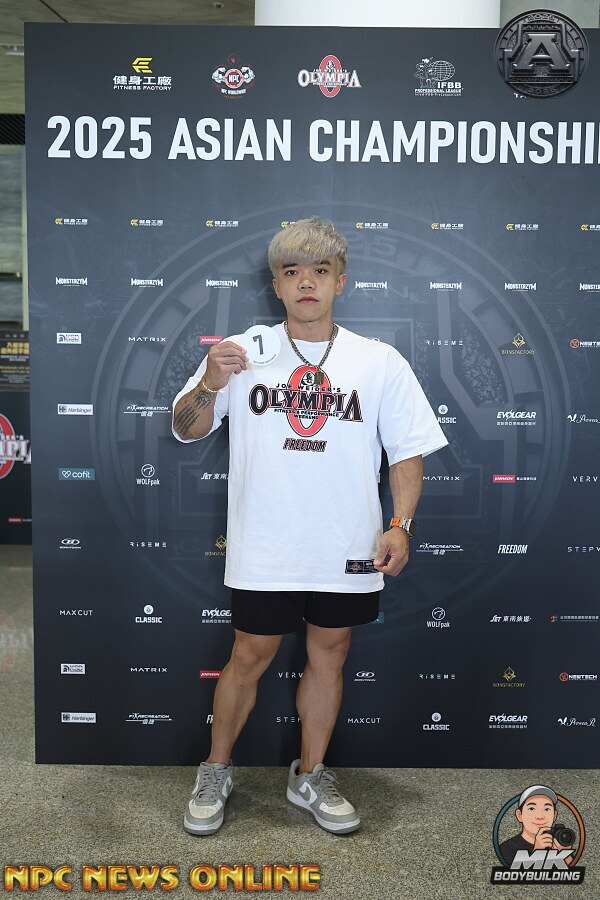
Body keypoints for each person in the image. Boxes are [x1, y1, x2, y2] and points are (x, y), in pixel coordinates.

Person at [172, 216, 448, 836]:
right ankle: (216, 769)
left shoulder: (378, 361)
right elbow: (187, 427)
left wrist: (401, 523)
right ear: (275, 284)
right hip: (265, 543)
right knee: (249, 654)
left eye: (319, 271)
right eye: (292, 272)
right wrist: (210, 383)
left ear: (340, 281)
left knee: (331, 653)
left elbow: (406, 452)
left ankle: (310, 774)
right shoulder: (242, 352)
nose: (306, 283)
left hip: (346, 543)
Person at [500, 785, 575, 867]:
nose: (540, 816)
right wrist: (537, 852)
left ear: (554, 816)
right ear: (519, 815)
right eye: (532, 808)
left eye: (547, 809)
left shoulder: (558, 843)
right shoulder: (507, 848)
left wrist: (565, 854)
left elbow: (572, 873)